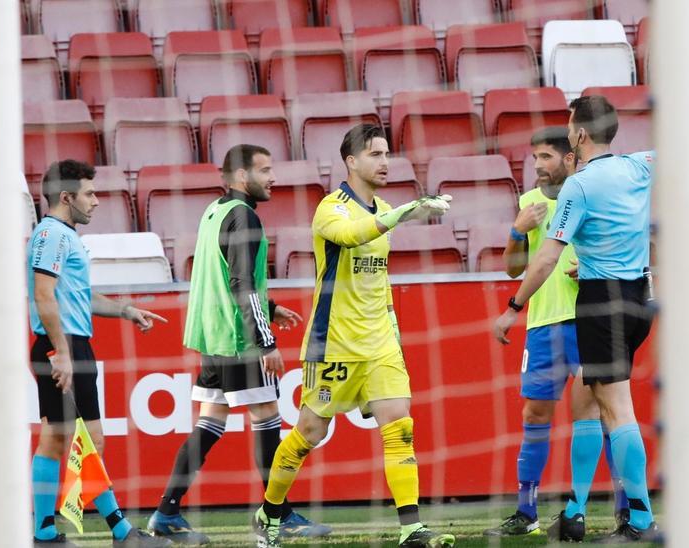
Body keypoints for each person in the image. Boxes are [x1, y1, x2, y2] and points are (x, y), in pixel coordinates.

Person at [251, 124, 456, 548]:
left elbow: (379, 283)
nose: (385, 163)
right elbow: (350, 236)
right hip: (334, 344)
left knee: (400, 428)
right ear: (351, 161)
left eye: (387, 154)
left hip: (380, 343)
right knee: (309, 432)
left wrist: (393, 334)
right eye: (376, 155)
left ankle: (411, 528)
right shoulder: (331, 208)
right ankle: (269, 513)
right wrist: (404, 213)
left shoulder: (382, 207)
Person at [147, 144, 329, 543]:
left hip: (213, 337)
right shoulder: (244, 217)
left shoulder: (214, 211)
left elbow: (227, 276)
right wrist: (265, 342)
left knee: (209, 424)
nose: (273, 178)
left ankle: (166, 512)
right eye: (265, 170)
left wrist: (272, 305)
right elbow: (240, 283)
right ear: (242, 176)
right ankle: (277, 514)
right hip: (239, 339)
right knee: (267, 418)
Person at [483, 127, 629, 538]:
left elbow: (622, 246)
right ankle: (526, 512)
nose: (538, 166)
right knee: (535, 414)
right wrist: (516, 228)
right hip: (543, 325)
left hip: (589, 321)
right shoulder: (529, 204)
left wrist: (594, 267)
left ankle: (624, 510)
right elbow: (514, 268)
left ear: (569, 159)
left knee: (605, 414)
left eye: (546, 157)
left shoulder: (591, 194)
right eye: (534, 159)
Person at [28, 160, 171, 547]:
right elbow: (43, 296)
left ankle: (44, 533)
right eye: (89, 194)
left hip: (68, 343)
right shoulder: (52, 236)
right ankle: (122, 532)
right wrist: (61, 351)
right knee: (90, 439)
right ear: (66, 197)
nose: (95, 201)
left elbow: (79, 297)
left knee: (57, 440)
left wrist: (126, 310)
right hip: (63, 345)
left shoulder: (63, 235)